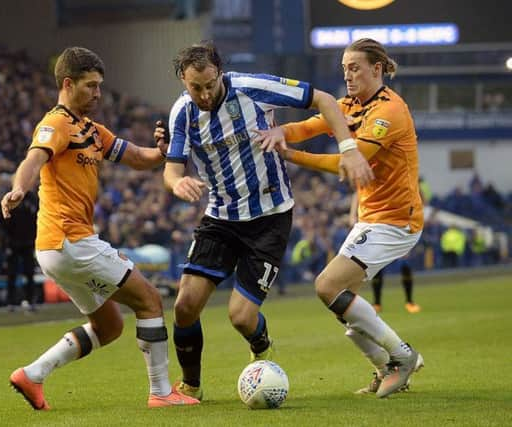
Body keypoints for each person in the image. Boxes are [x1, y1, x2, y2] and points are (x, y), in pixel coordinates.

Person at [158, 41, 373, 400]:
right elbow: (171, 168)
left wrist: (348, 149)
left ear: (220, 73)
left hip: (269, 217)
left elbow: (323, 99)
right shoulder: (181, 113)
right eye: (196, 87)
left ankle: (262, 347)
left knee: (240, 317)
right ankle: (190, 386)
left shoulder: (252, 89)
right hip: (221, 217)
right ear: (184, 79)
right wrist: (177, 181)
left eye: (211, 84)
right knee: (184, 306)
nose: (206, 94)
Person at [0, 46, 199, 410]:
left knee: (109, 326)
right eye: (90, 86)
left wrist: (164, 151)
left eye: (99, 86)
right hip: (69, 241)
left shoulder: (90, 130)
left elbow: (138, 158)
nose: (97, 93)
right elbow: (34, 158)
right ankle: (161, 392)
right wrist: (18, 188)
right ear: (67, 83)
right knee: (150, 300)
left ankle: (33, 374)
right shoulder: (57, 123)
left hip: (61, 248)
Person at [255, 38, 424, 398]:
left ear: (377, 69)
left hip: (396, 220)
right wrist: (279, 132)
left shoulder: (389, 112)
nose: (347, 75)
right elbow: (309, 125)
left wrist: (291, 156)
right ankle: (385, 368)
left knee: (326, 286)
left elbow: (346, 162)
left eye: (355, 67)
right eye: (344, 67)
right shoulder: (348, 104)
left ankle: (402, 357)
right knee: (345, 305)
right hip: (370, 217)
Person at [349, 192, 421, 314]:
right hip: (374, 229)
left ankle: (410, 301)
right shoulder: (368, 186)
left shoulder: (401, 183)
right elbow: (357, 196)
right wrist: (353, 218)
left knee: (405, 265)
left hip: (397, 228)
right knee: (376, 267)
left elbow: (417, 199)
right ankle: (376, 303)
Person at [0, 190, 38, 311]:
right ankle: (11, 301)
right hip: (13, 243)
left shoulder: (32, 199)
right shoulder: (10, 196)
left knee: (29, 272)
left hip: (28, 242)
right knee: (12, 273)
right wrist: (6, 241)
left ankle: (30, 300)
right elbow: (2, 219)